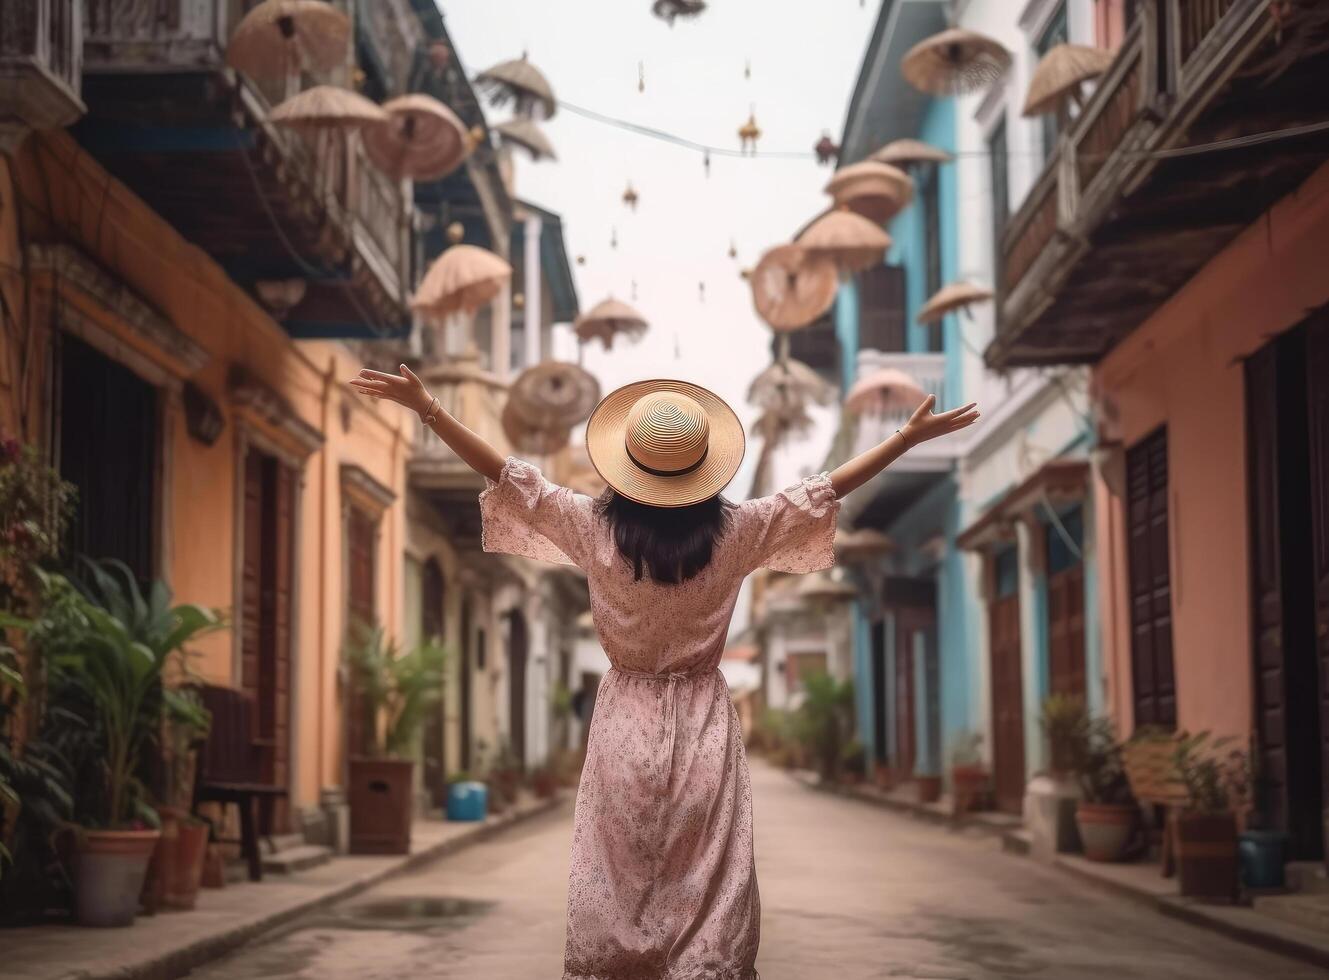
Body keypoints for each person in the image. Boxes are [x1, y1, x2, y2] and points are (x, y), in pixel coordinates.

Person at [350, 367, 979, 980]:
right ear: (703, 472)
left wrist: (429, 408)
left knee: (620, 882)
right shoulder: (737, 532)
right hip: (705, 724)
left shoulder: (592, 527)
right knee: (709, 882)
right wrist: (904, 439)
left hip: (623, 723)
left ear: (627, 466)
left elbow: (507, 475)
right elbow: (823, 490)